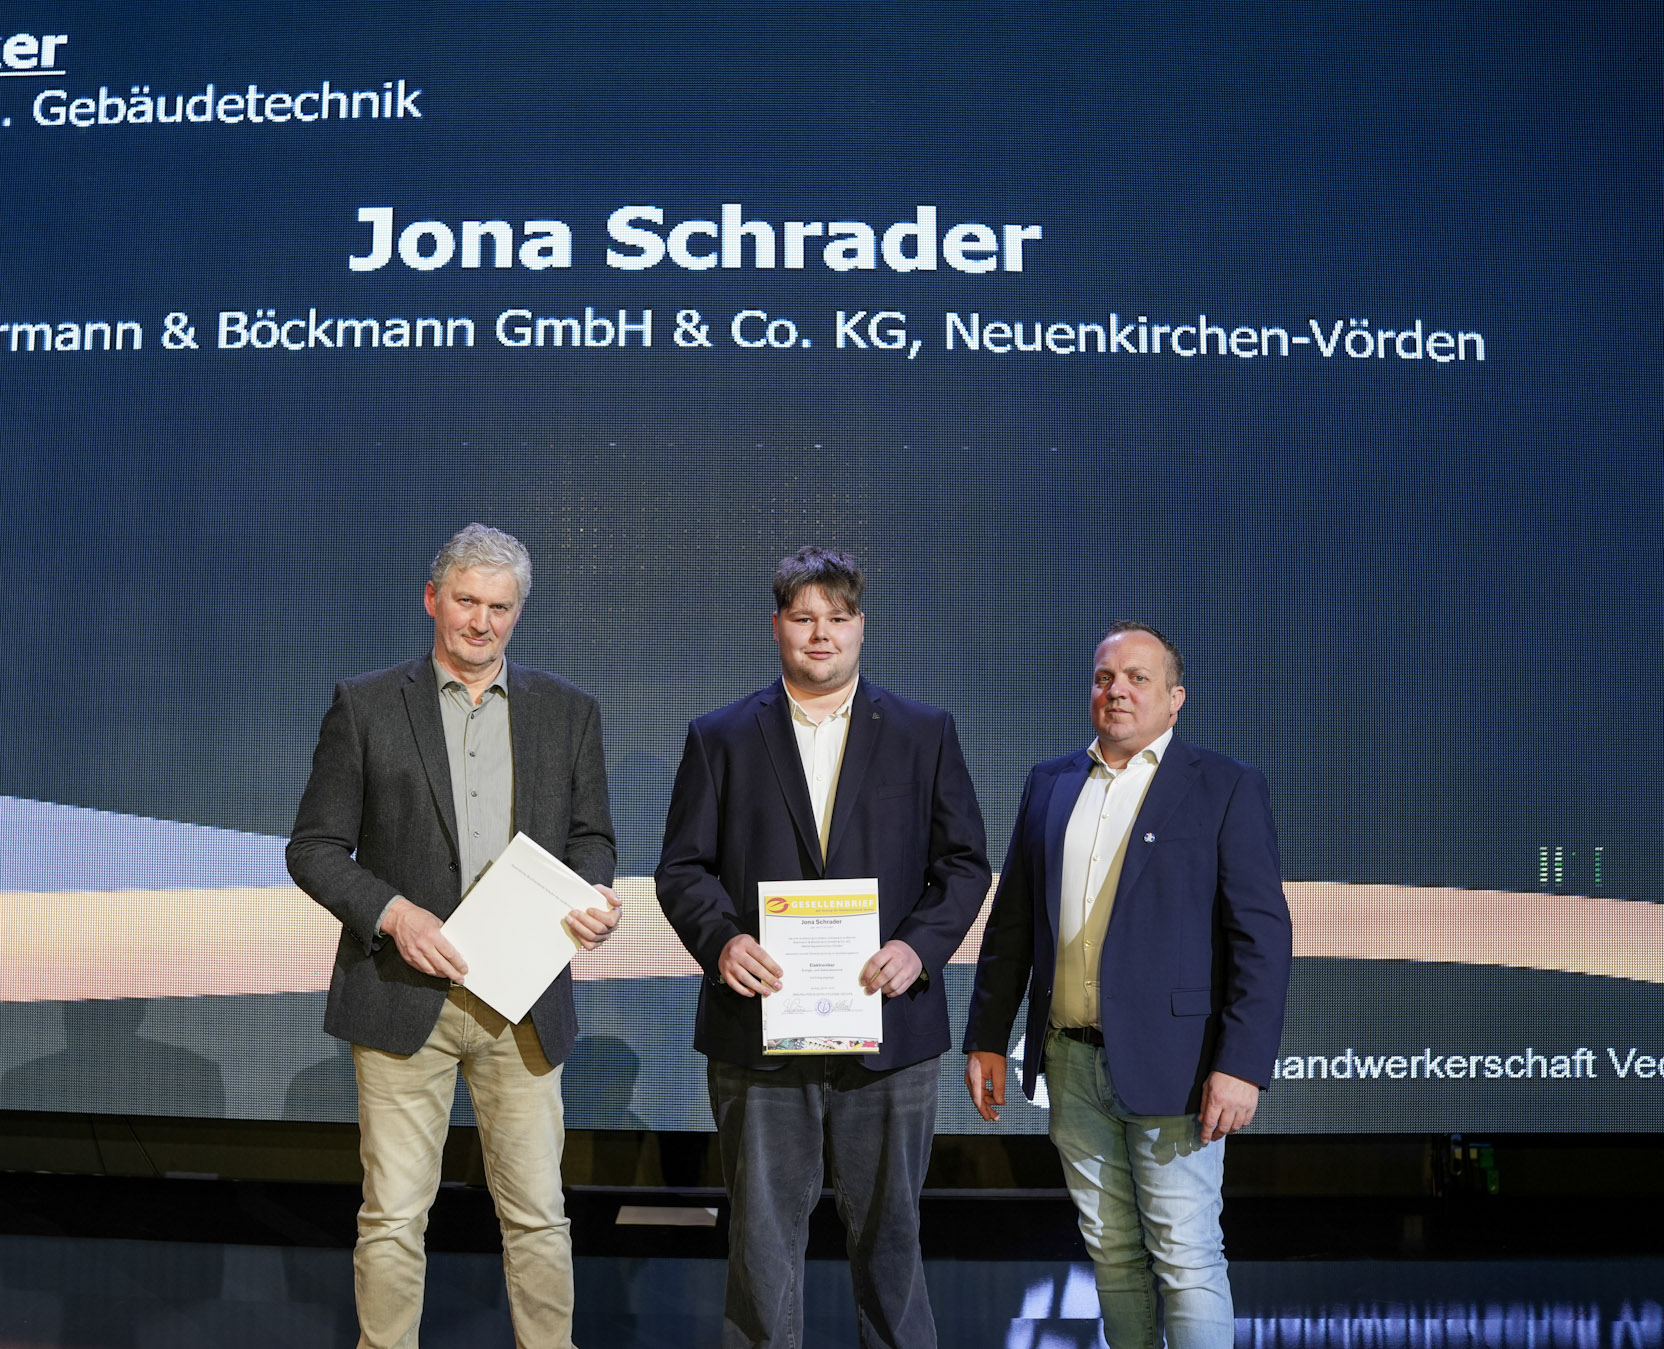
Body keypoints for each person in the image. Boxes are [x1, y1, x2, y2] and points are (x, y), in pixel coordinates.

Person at [286, 523, 621, 1349]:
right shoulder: (366, 704)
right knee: (394, 1214)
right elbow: (315, 848)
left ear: (518, 612)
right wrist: (395, 913)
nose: (481, 621)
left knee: (538, 1212)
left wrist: (593, 894)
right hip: (402, 996)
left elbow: (592, 840)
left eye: (499, 607)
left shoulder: (568, 711)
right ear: (432, 599)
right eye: (466, 601)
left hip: (522, 1002)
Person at [656, 546, 991, 1349]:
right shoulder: (720, 736)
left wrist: (918, 948)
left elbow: (963, 865)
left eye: (837, 618)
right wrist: (722, 940)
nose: (820, 634)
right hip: (759, 1029)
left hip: (890, 1028)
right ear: (776, 625)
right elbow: (682, 869)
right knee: (762, 1246)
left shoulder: (922, 732)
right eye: (803, 617)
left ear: (860, 627)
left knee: (893, 1241)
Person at [964, 620, 1291, 1349]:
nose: (1117, 690)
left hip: (1179, 1066)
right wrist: (987, 1036)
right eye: (1104, 676)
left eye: (1138, 677)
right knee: (1111, 1255)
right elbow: (1013, 923)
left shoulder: (1225, 785)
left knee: (1185, 1254)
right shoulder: (1050, 783)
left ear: (1176, 697)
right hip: (1070, 1062)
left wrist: (1242, 1065)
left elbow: (1262, 939)